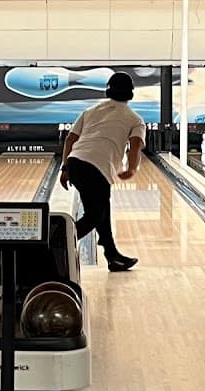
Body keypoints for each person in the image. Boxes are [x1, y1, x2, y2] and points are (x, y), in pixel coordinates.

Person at [60, 71, 145, 272]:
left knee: (101, 211)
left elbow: (70, 140)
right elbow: (135, 147)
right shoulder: (135, 119)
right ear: (131, 94)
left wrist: (65, 168)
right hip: (97, 168)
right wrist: (131, 169)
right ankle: (56, 245)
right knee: (94, 216)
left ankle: (112, 255)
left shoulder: (90, 111)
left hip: (75, 163)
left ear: (108, 90)